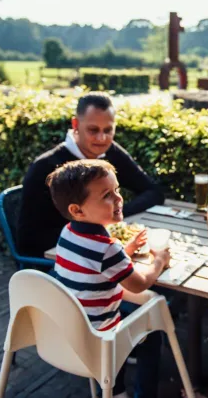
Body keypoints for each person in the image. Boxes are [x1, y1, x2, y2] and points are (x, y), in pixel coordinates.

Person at [46, 159, 170, 398]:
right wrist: (159, 261)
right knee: (154, 330)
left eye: (117, 190)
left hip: (72, 327)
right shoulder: (106, 249)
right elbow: (140, 282)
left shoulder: (68, 232)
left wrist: (126, 249)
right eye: (106, 195)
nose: (118, 199)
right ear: (77, 210)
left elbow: (94, 263)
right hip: (101, 337)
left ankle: (115, 388)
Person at [17, 92, 164, 259]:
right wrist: (98, 231)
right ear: (75, 125)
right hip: (57, 262)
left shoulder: (110, 151)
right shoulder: (44, 167)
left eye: (108, 130)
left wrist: (116, 217)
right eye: (93, 130)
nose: (102, 138)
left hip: (102, 250)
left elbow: (153, 191)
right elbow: (28, 241)